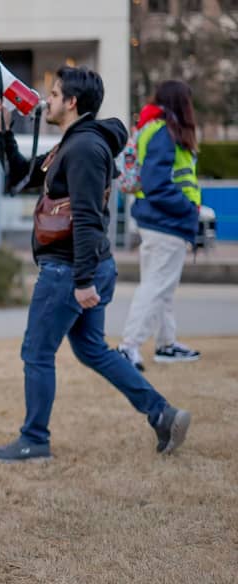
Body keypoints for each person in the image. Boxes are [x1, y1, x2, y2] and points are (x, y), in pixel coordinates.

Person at [0, 66, 191, 464]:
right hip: (84, 267)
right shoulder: (75, 143)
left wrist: (81, 281)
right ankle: (163, 414)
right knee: (92, 349)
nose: (48, 100)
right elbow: (19, 176)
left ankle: (34, 440)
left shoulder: (82, 149)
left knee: (37, 353)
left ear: (72, 102)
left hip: (70, 270)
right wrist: (3, 130)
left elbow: (87, 216)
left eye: (55, 93)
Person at [117, 80, 202, 371]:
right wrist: (188, 210)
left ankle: (166, 344)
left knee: (160, 287)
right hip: (168, 222)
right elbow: (157, 184)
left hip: (155, 221)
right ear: (182, 103)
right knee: (156, 286)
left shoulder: (152, 128)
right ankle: (129, 346)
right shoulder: (166, 132)